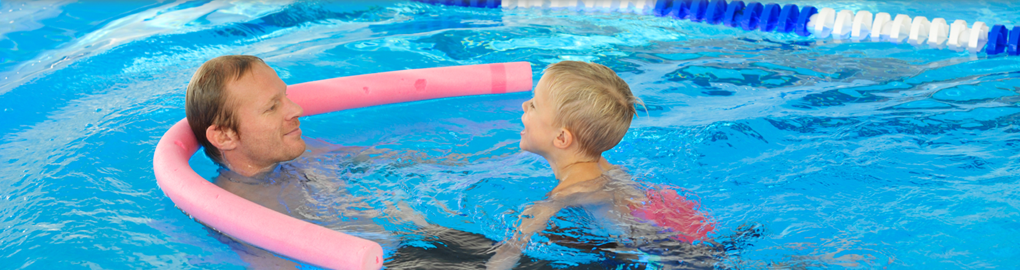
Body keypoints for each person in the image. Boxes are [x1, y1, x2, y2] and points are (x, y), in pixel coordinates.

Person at [486, 61, 720, 269]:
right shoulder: (601, 164)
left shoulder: (561, 195)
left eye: (534, 105)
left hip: (651, 255)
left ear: (561, 139)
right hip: (670, 241)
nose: (524, 105)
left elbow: (512, 249)